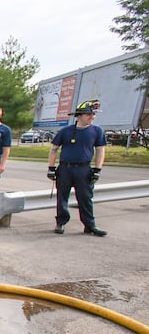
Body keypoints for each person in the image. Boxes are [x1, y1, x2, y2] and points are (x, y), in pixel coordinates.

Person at [47, 99, 107, 236]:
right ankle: (61, 222)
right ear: (79, 116)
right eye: (89, 114)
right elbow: (54, 149)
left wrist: (97, 170)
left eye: (93, 115)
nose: (92, 117)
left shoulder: (97, 131)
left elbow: (100, 151)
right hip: (65, 169)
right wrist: (51, 167)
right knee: (62, 197)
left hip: (84, 169)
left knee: (85, 198)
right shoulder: (66, 131)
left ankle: (89, 225)